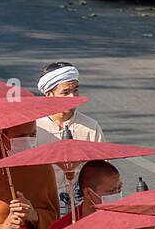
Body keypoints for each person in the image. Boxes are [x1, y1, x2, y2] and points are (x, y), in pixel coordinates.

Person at [33, 62, 103, 199]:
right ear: (48, 95)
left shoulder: (90, 127)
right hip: (44, 204)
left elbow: (102, 172)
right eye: (65, 92)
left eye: (75, 90)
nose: (73, 97)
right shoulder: (34, 128)